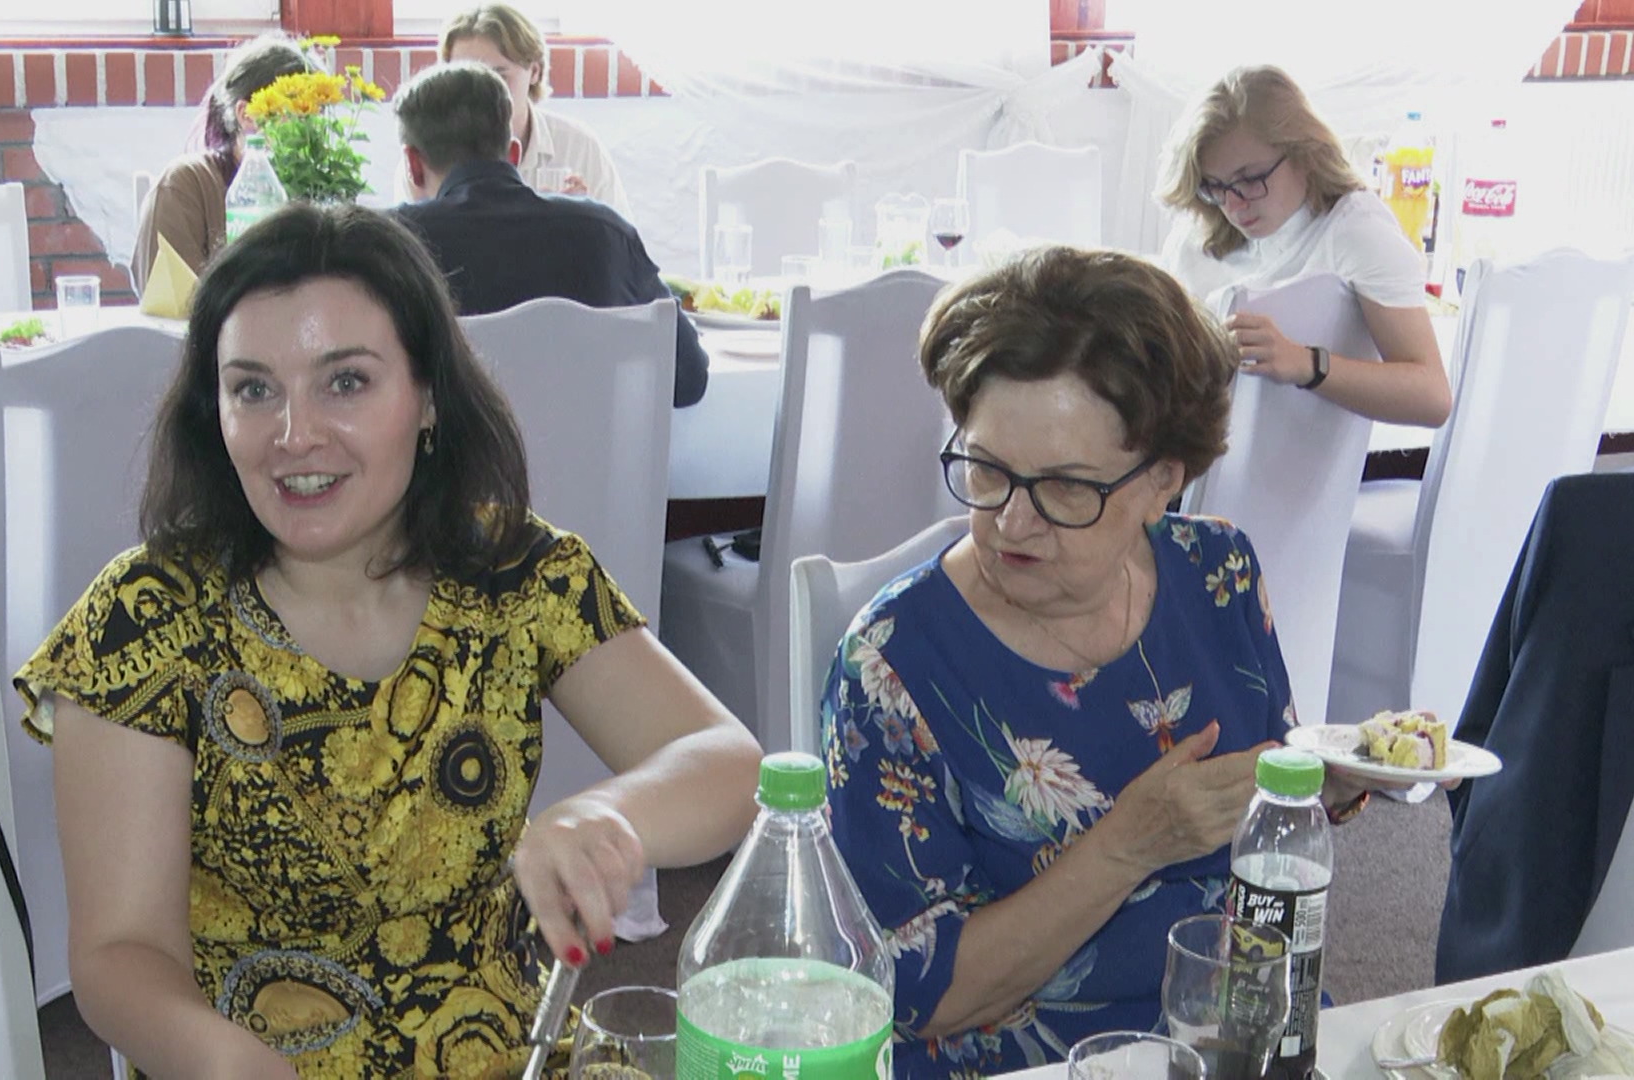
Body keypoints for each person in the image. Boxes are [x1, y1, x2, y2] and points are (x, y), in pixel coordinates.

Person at [16, 200, 761, 1077]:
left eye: (345, 382)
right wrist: (223, 1061)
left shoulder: (512, 572)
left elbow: (730, 764)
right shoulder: (144, 618)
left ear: (428, 397)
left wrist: (606, 816)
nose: (295, 435)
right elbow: (119, 952)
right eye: (253, 389)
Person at [820, 247, 1378, 1078]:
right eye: (987, 470)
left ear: (1163, 482)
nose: (1012, 522)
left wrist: (1317, 783)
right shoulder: (892, 665)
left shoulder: (1216, 572)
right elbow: (912, 997)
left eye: (1067, 489)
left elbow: (1262, 827)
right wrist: (1128, 845)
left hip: (1234, 1039)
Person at [392, 62, 708, 408]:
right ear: (513, 154)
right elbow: (689, 378)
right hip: (590, 444)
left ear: (413, 165)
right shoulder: (604, 232)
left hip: (463, 445)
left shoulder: (398, 244)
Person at [1158, 65, 1452, 428]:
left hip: (1279, 453)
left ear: (1304, 154)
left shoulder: (1355, 232)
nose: (1233, 205)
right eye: (1215, 186)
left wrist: (1307, 364)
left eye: (1250, 179)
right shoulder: (1195, 233)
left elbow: (1432, 397)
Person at [131, 36, 309, 287]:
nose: (310, 127)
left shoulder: (318, 187)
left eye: (317, 112)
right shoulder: (185, 185)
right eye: (297, 110)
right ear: (247, 115)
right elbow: (172, 301)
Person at [439, 3, 629, 213]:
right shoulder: (431, 152)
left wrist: (585, 220)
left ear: (535, 71)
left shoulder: (579, 147)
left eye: (499, 77)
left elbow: (621, 232)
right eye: (465, 78)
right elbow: (417, 232)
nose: (481, 94)